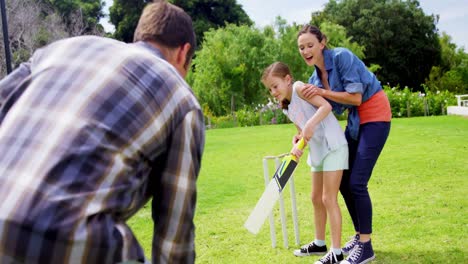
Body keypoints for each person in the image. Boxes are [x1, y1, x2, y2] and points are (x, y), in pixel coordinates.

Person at [0, 1, 205, 263]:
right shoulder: (182, 100)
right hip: (76, 242)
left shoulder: (58, 50)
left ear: (139, 37)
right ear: (183, 53)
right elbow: (174, 240)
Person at [296, 24, 392, 264]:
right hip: (356, 122)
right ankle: (360, 237)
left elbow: (356, 97)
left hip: (376, 115)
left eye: (310, 45)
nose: (306, 50)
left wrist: (321, 92)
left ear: (322, 43)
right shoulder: (314, 78)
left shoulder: (341, 57)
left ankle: (366, 246)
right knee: (344, 181)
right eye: (301, 47)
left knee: (357, 182)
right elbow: (319, 112)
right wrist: (302, 132)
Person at [261, 62, 348, 264]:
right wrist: (298, 138)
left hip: (333, 145)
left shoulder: (300, 88)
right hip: (318, 150)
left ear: (288, 79)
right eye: (270, 89)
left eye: (275, 86)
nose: (273, 92)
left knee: (328, 199)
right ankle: (319, 243)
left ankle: (336, 252)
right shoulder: (286, 107)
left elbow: (326, 107)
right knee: (315, 198)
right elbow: (303, 132)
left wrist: (309, 125)